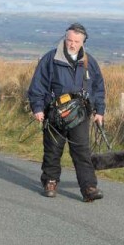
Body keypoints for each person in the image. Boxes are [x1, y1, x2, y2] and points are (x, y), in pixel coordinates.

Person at [27, 22, 106, 202]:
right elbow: (37, 85)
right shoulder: (51, 59)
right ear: (65, 38)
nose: (72, 44)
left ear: (83, 42)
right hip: (53, 113)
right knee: (53, 150)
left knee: (82, 152)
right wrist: (38, 108)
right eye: (69, 40)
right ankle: (50, 182)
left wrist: (99, 110)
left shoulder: (89, 62)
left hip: (80, 115)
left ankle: (89, 188)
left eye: (76, 41)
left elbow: (98, 88)